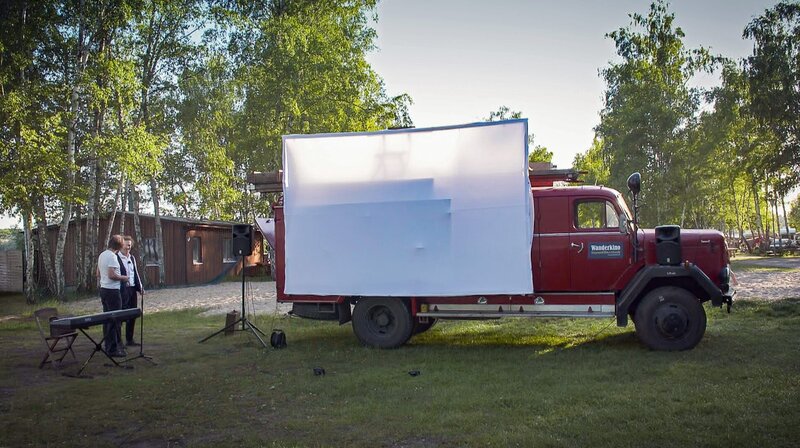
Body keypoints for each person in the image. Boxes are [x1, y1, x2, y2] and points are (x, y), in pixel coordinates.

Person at [98, 234, 129, 357]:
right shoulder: (112, 257)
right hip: (112, 291)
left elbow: (98, 273)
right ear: (120, 246)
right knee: (114, 319)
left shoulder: (102, 255)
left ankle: (108, 345)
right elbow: (111, 275)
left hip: (104, 289)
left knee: (107, 319)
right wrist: (124, 278)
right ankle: (113, 348)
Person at [117, 235, 143, 346]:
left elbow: (135, 273)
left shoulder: (131, 258)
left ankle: (129, 339)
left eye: (130, 246)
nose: (128, 248)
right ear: (121, 245)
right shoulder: (116, 257)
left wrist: (140, 287)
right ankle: (118, 341)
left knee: (133, 314)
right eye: (126, 245)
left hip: (132, 288)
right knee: (121, 315)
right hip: (121, 290)